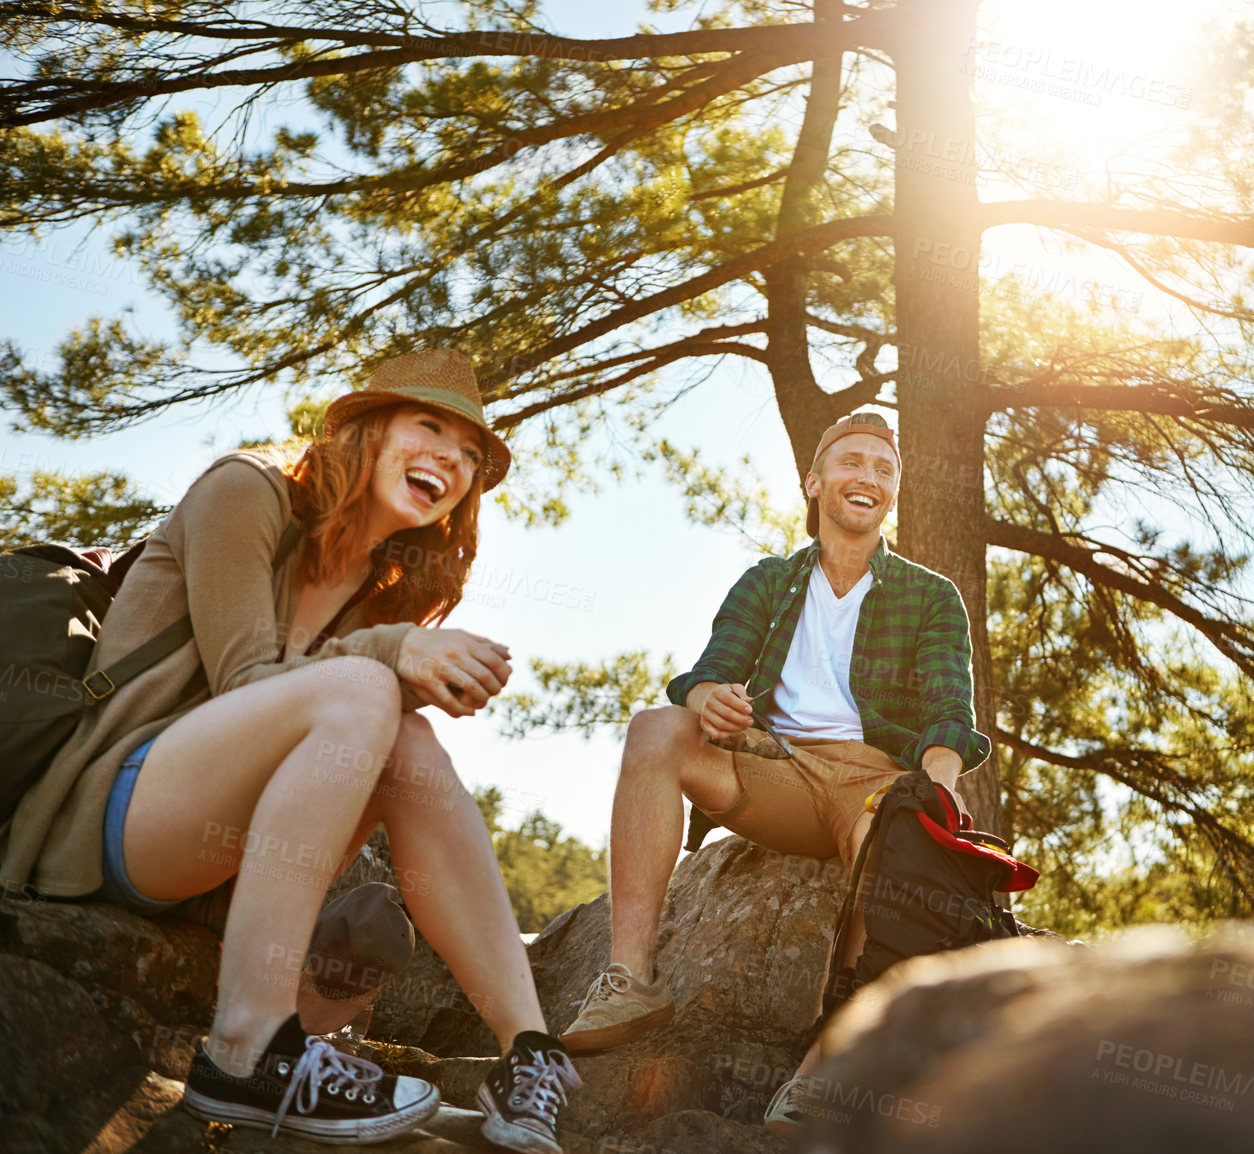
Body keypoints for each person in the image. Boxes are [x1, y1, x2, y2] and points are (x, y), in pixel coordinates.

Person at [0, 350, 576, 1152]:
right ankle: (243, 1050)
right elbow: (245, 681)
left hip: (214, 874)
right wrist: (390, 651)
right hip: (114, 811)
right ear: (367, 430)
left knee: (409, 732)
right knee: (372, 692)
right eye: (429, 425)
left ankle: (528, 1053)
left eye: (469, 452)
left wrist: (393, 647)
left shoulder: (387, 580)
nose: (450, 456)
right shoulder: (245, 491)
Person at [558, 410, 990, 1134]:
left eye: (886, 470)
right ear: (815, 482)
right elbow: (707, 674)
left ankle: (827, 1071)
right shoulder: (769, 581)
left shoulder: (930, 595)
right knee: (656, 729)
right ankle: (628, 978)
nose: (871, 478)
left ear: (893, 495)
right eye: (854, 462)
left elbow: (950, 711)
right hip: (776, 769)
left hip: (875, 780)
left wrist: (936, 786)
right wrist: (712, 701)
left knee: (899, 838)